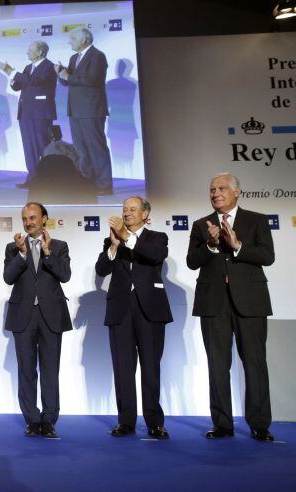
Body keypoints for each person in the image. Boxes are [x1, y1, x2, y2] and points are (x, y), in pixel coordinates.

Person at [186, 173, 275, 441]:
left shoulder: (256, 220)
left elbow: (267, 256)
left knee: (255, 364)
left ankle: (259, 424)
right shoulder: (202, 225)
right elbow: (192, 261)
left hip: (250, 302)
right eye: (212, 189)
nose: (215, 193)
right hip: (214, 303)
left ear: (237, 192)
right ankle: (223, 424)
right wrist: (212, 246)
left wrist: (237, 246)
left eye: (222, 188)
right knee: (217, 365)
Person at [95, 197, 172, 439]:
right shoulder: (112, 239)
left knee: (151, 367)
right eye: (124, 209)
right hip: (120, 310)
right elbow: (101, 269)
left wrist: (127, 238)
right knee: (123, 369)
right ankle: (126, 422)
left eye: (132, 209)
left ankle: (154, 423)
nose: (127, 213)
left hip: (150, 310)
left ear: (145, 213)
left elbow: (155, 256)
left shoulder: (157, 237)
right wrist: (115, 245)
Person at [3, 202, 71, 438]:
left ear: (44, 218)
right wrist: (22, 254)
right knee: (26, 370)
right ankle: (32, 420)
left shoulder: (59, 246)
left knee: (51, 370)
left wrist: (49, 253)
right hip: (23, 316)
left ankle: (49, 420)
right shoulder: (13, 248)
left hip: (51, 315)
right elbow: (8, 278)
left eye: (33, 218)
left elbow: (65, 276)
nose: (28, 222)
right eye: (25, 219)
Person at [56, 28, 113, 195]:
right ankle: (87, 182)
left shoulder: (97, 56)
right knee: (81, 148)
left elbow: (93, 80)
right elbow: (68, 82)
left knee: (96, 147)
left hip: (92, 109)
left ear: (84, 40)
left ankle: (104, 185)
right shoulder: (74, 57)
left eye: (72, 39)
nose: (69, 42)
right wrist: (61, 74)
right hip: (75, 110)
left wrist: (68, 76)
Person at [0, 41, 57, 188]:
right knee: (29, 146)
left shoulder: (49, 67)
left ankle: (47, 179)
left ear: (40, 52)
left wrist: (12, 72)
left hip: (41, 112)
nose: (27, 53)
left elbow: (35, 81)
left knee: (42, 145)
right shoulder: (28, 67)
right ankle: (32, 178)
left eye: (30, 50)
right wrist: (12, 78)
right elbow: (18, 86)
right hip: (25, 112)